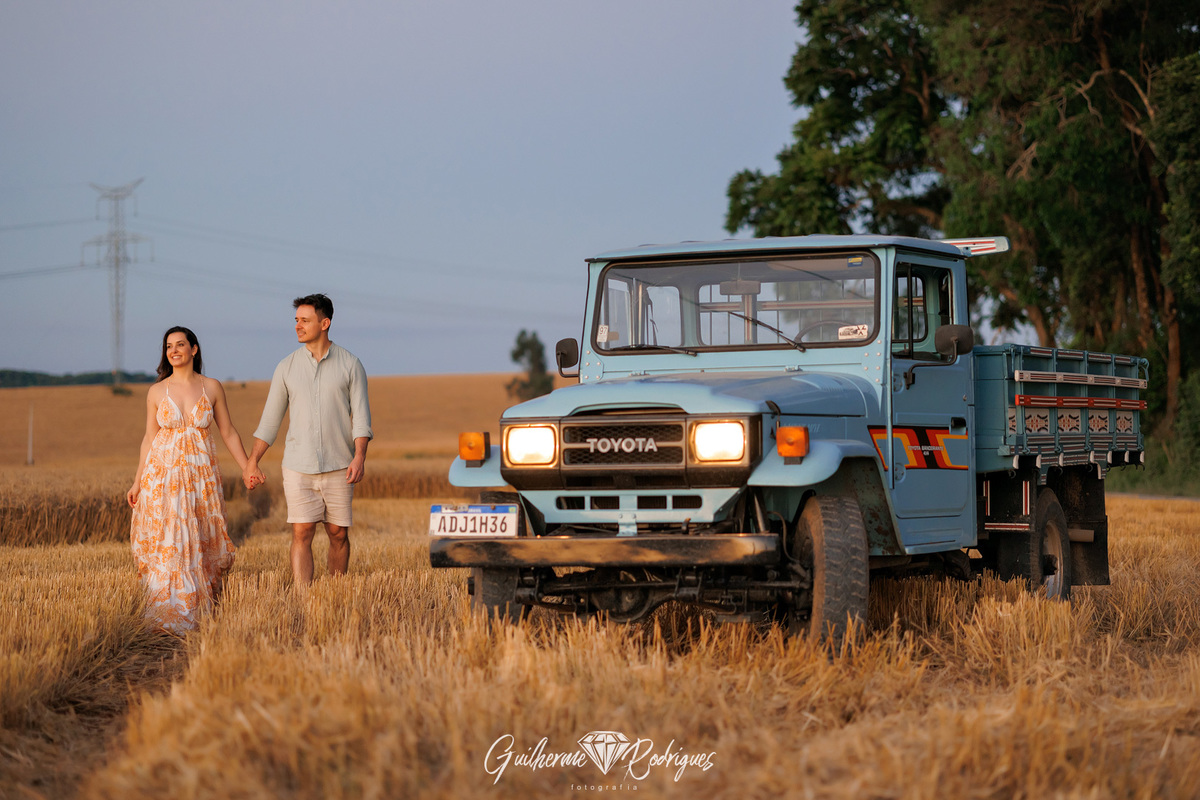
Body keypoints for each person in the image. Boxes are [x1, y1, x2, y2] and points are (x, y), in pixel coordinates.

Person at [127, 326, 251, 633]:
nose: (173, 350)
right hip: (163, 476)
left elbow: (229, 432)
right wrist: (137, 480)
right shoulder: (156, 392)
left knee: (199, 534)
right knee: (169, 538)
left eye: (180, 344)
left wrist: (248, 466)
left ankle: (196, 611)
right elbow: (148, 438)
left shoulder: (212, 387)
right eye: (169, 346)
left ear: (194, 349)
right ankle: (164, 614)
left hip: (200, 478)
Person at [243, 293, 372, 585]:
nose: (298, 326)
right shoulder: (285, 367)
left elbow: (362, 418)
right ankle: (304, 596)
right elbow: (270, 422)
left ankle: (335, 592)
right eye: (296, 320)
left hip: (341, 465)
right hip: (297, 466)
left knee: (339, 534)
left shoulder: (351, 364)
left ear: (324, 323)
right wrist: (253, 461)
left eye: (305, 320)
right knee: (302, 532)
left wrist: (359, 455)